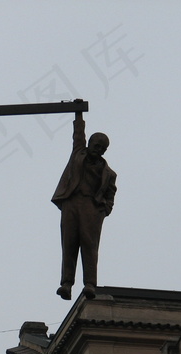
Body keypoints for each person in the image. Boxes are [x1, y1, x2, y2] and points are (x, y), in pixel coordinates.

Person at [52, 110, 117, 300]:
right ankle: (66, 283)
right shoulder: (78, 154)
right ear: (89, 144)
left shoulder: (109, 173)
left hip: (91, 206)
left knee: (90, 245)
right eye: (97, 145)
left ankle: (90, 284)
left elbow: (111, 193)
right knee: (69, 242)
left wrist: (104, 209)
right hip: (72, 202)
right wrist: (78, 114)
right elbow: (78, 135)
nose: (99, 149)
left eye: (103, 148)